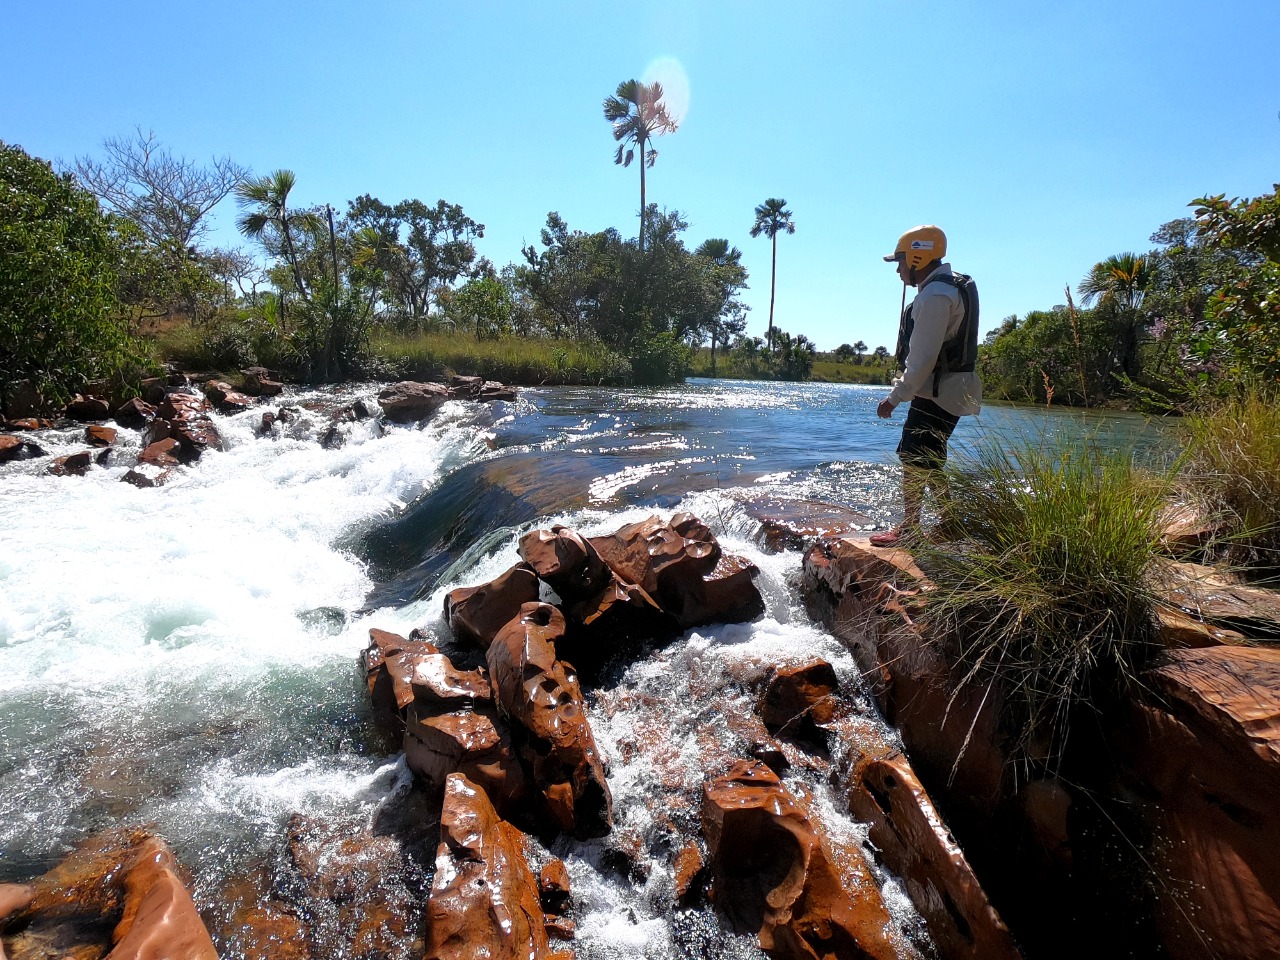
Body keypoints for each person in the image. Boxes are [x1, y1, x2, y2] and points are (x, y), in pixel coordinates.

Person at [870, 225, 981, 547]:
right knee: (927, 457)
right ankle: (950, 522)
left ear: (919, 257)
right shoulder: (950, 286)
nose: (899, 270)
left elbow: (922, 358)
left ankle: (909, 529)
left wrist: (894, 398)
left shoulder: (935, 296)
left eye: (901, 262)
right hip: (949, 387)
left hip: (940, 389)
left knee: (913, 455)